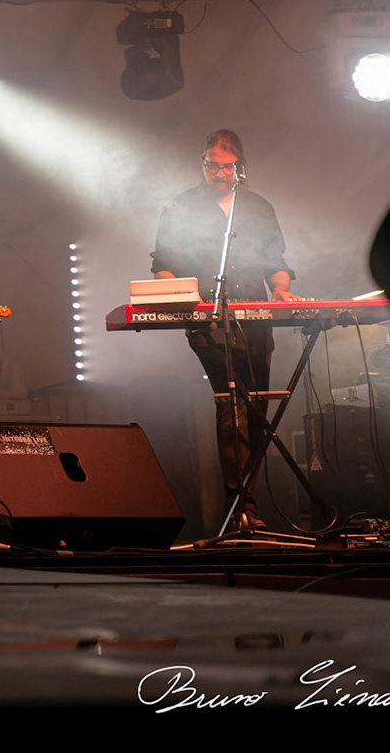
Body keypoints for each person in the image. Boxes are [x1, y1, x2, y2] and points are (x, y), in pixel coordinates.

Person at [151, 129, 296, 533]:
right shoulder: (181, 207)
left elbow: (276, 262)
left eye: (227, 166)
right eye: (212, 165)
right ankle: (240, 507)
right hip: (206, 319)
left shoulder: (258, 208)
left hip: (255, 318)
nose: (219, 172)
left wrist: (281, 291)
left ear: (240, 168)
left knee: (256, 406)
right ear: (202, 163)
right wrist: (172, 294)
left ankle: (245, 504)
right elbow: (163, 262)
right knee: (231, 398)